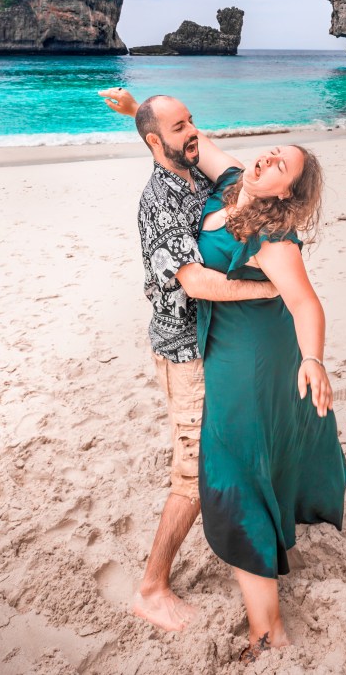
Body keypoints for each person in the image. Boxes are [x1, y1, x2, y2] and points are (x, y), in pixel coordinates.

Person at [102, 89, 346, 661]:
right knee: (224, 462)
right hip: (208, 345)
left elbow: (308, 306)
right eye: (271, 151)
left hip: (247, 355)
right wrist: (139, 110)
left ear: (286, 189)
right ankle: (195, 594)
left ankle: (265, 628)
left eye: (281, 164)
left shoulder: (273, 235)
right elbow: (193, 146)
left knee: (227, 467)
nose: (267, 160)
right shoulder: (230, 182)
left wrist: (312, 358)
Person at [99, 88, 278, 633]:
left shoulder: (192, 169)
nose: (193, 131)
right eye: (180, 128)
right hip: (184, 349)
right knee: (191, 472)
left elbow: (213, 154)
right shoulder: (157, 201)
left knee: (217, 450)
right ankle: (151, 588)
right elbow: (194, 280)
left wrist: (141, 114)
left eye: (192, 120)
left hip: (211, 341)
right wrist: (266, 291)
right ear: (157, 143)